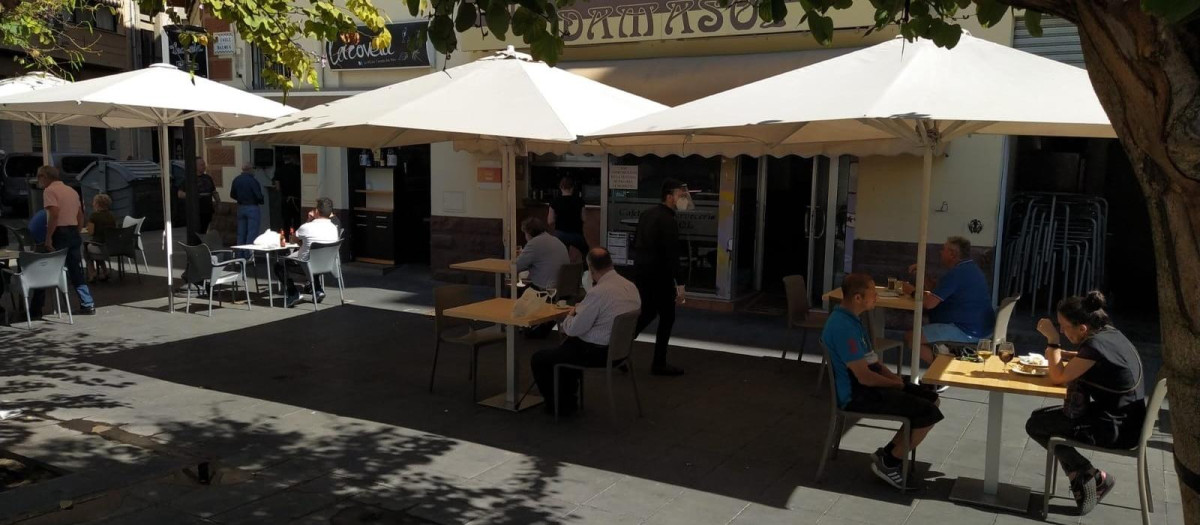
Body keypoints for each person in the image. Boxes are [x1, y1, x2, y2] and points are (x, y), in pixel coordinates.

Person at [1026, 291, 1145, 516]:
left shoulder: (1095, 346)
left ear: (1082, 328)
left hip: (1117, 429)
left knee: (1036, 425)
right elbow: (1087, 360)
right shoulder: (1109, 334)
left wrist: (1053, 342)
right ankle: (1087, 477)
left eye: (1063, 326)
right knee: (1041, 419)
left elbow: (1059, 377)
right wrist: (1066, 354)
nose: (1061, 330)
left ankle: (1090, 475)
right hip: (1126, 419)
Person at [822, 273, 943, 490]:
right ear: (858, 298)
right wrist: (897, 385)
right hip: (856, 394)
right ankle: (890, 463)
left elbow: (873, 362)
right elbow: (864, 377)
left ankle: (888, 454)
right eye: (872, 292)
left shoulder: (853, 321)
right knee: (927, 412)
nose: (877, 296)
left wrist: (895, 379)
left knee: (932, 399)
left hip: (867, 385)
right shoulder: (843, 328)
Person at [530, 247, 641, 416]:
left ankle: (557, 405)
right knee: (567, 348)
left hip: (597, 352)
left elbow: (574, 329)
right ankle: (568, 399)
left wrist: (569, 316)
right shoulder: (630, 286)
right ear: (610, 262)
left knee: (541, 359)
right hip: (620, 351)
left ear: (590, 268)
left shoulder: (599, 292)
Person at [903, 236, 995, 367]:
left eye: (943, 249)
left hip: (966, 330)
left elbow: (929, 303)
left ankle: (942, 371)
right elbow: (937, 292)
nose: (941, 252)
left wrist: (911, 291)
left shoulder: (957, 273)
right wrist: (922, 275)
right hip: (979, 327)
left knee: (912, 338)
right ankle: (942, 362)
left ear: (953, 254)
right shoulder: (970, 268)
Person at [631, 178, 690, 376]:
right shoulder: (668, 220)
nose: (684, 199)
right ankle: (659, 362)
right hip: (660, 276)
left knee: (646, 313)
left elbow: (637, 242)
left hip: (642, 273)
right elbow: (672, 254)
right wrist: (680, 283)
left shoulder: (647, 214)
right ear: (669, 197)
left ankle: (616, 351)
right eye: (680, 196)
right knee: (666, 317)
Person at [30, 166, 95, 316]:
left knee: (43, 268)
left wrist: (48, 238)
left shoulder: (49, 191)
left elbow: (54, 214)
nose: (39, 181)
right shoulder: (71, 191)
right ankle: (88, 303)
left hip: (59, 232)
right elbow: (80, 214)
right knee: (75, 270)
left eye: (39, 177)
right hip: (72, 231)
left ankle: (36, 308)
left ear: (44, 177)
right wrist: (77, 231)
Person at [278, 197, 339, 308]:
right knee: (311, 256)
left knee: (279, 265)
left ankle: (293, 293)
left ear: (316, 211)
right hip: (327, 265)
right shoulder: (334, 228)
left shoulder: (307, 227)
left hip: (306, 266)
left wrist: (309, 222)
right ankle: (318, 290)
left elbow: (293, 240)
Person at [516, 217, 570, 338]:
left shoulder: (534, 244)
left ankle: (523, 325)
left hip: (546, 289)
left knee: (517, 290)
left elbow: (516, 266)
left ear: (528, 233)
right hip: (565, 288)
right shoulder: (555, 240)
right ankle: (541, 324)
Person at [176, 158, 219, 236]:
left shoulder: (208, 178)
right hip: (195, 210)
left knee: (204, 229)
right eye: (202, 165)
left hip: (207, 210)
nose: (204, 166)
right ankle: (196, 245)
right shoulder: (189, 179)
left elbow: (213, 191)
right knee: (196, 231)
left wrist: (218, 202)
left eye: (204, 164)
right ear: (195, 166)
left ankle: (202, 244)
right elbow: (180, 194)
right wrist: (192, 196)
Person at [229, 163, 264, 259]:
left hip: (241, 207)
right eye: (253, 168)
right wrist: (261, 200)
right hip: (252, 207)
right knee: (251, 233)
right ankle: (248, 255)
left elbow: (232, 194)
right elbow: (259, 196)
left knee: (241, 233)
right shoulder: (253, 181)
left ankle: (239, 255)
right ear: (250, 169)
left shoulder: (236, 180)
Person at [548, 177, 588, 260]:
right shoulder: (580, 201)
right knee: (586, 252)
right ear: (572, 187)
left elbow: (550, 221)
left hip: (560, 234)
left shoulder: (555, 201)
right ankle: (586, 270)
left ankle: (561, 270)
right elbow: (584, 219)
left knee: (559, 256)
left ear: (560, 187)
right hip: (576, 234)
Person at [83, 193, 117, 282]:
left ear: (97, 204)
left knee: (86, 249)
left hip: (100, 246)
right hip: (111, 246)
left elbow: (90, 232)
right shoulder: (111, 216)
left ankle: (92, 272)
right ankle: (105, 271)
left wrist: (88, 227)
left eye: (94, 202)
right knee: (95, 246)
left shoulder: (94, 216)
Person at [274, 154, 302, 231]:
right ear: (292, 159)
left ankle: (286, 239)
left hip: (285, 199)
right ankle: (297, 238)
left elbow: (277, 187)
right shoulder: (298, 169)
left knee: (286, 221)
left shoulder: (279, 170)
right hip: (297, 199)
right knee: (297, 220)